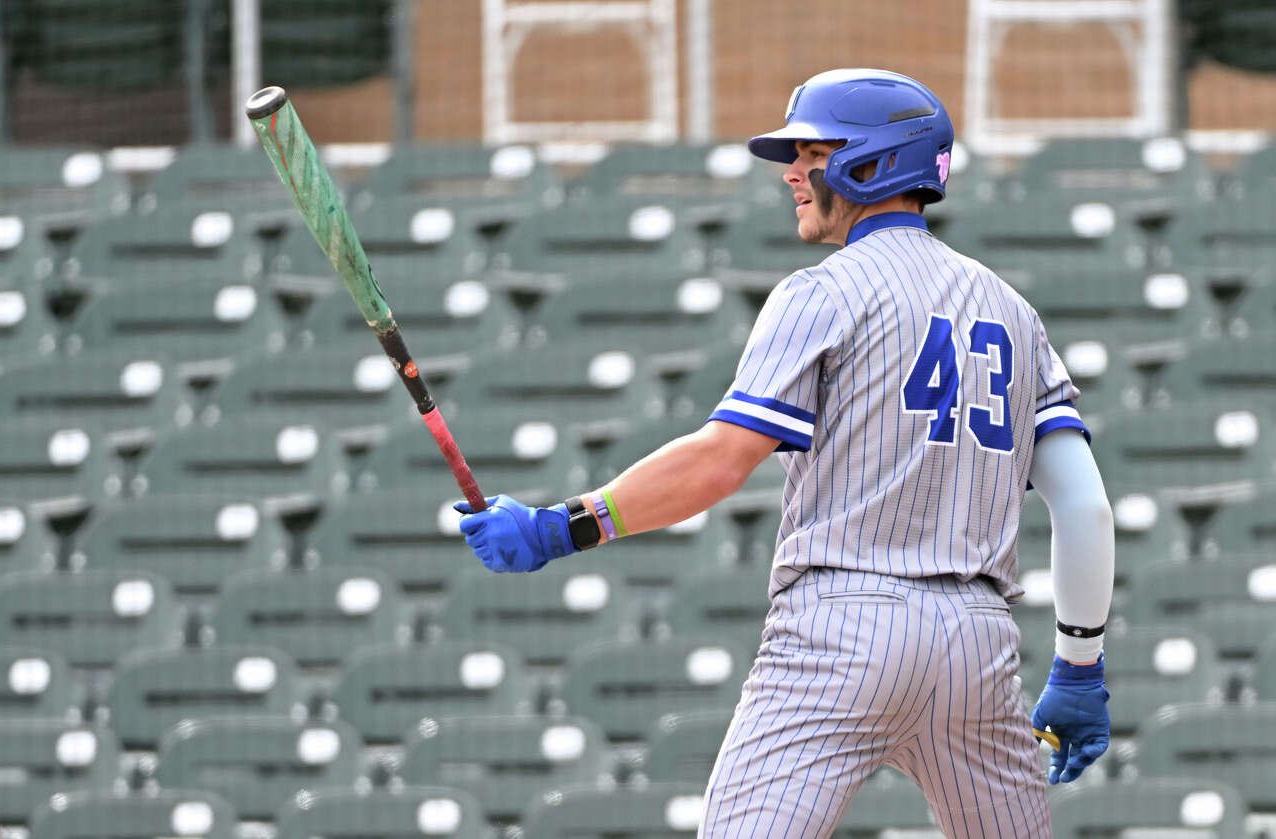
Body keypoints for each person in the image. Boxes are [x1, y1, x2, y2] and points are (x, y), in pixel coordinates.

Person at [455, 68, 1114, 838]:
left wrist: (559, 526)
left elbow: (719, 462)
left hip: (842, 626)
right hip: (977, 640)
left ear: (870, 163)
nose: (790, 172)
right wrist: (1079, 664)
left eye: (809, 152)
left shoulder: (823, 292)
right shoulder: (1013, 312)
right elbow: (1085, 505)